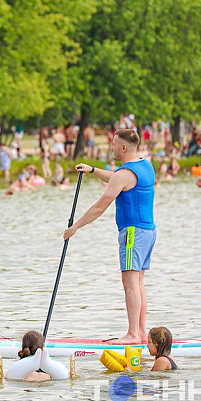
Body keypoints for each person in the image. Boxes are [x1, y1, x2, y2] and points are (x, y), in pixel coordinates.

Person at [64, 129, 155, 344]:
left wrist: (75, 227)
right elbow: (116, 178)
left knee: (130, 283)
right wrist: (93, 170)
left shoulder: (124, 174)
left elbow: (99, 207)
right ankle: (141, 332)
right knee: (138, 282)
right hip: (148, 231)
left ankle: (133, 334)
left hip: (133, 233)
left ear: (123, 147)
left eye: (113, 144)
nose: (111, 147)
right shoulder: (145, 165)